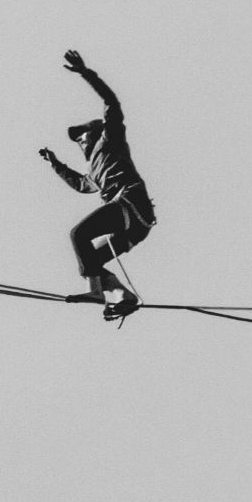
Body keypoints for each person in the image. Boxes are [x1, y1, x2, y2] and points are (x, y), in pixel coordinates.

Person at [38, 50, 157, 320]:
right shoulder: (94, 171)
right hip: (135, 227)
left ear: (96, 132)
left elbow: (111, 102)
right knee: (88, 263)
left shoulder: (110, 138)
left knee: (78, 235)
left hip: (130, 203)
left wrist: (85, 72)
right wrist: (55, 163)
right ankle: (124, 296)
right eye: (77, 140)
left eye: (82, 135)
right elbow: (81, 184)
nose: (80, 141)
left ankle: (96, 292)